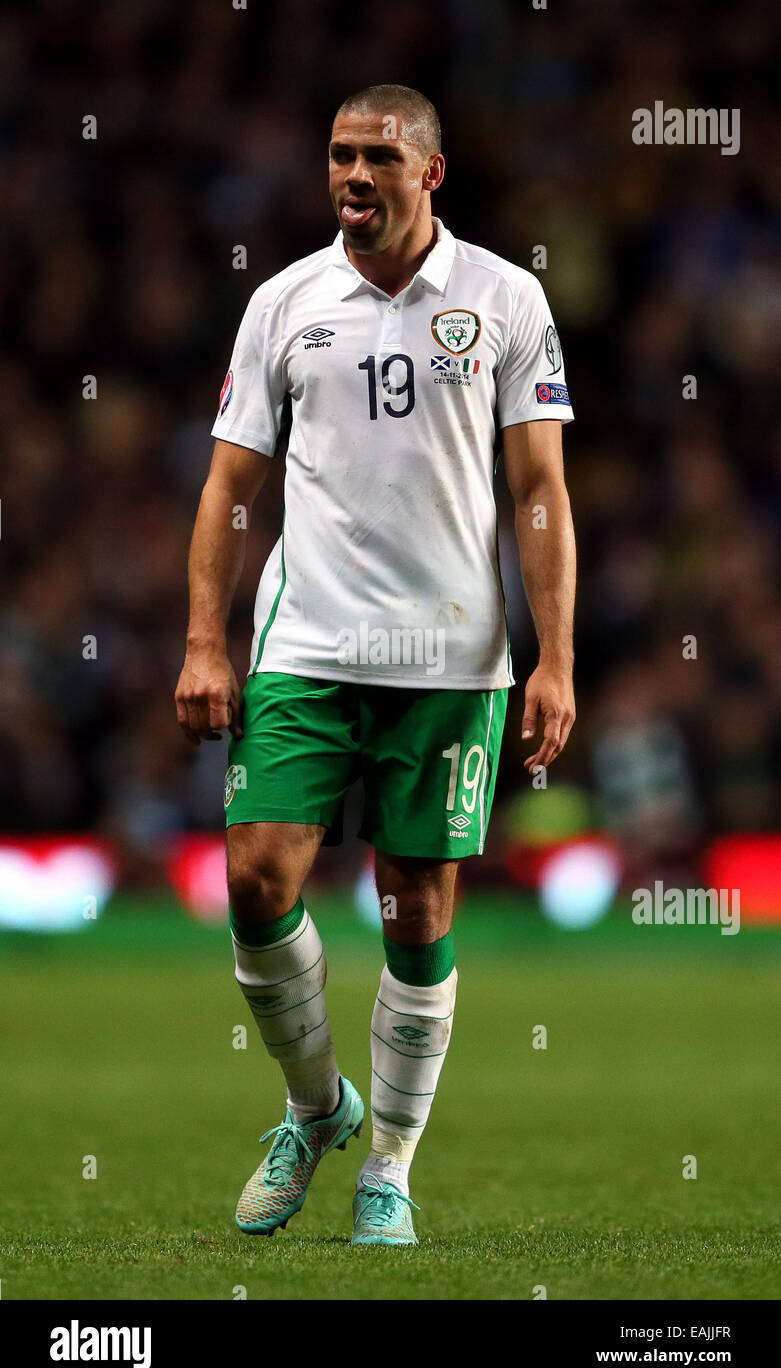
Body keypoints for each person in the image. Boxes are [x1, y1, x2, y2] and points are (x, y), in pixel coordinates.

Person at [175, 83, 576, 1247]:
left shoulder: (505, 296)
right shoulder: (284, 301)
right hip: (305, 644)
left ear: (430, 173)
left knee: (415, 908)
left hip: (452, 659)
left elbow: (540, 493)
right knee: (256, 878)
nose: (353, 175)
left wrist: (552, 659)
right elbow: (228, 488)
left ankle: (389, 1168)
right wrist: (206, 639)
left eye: (377, 158)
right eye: (339, 155)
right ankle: (316, 1108)